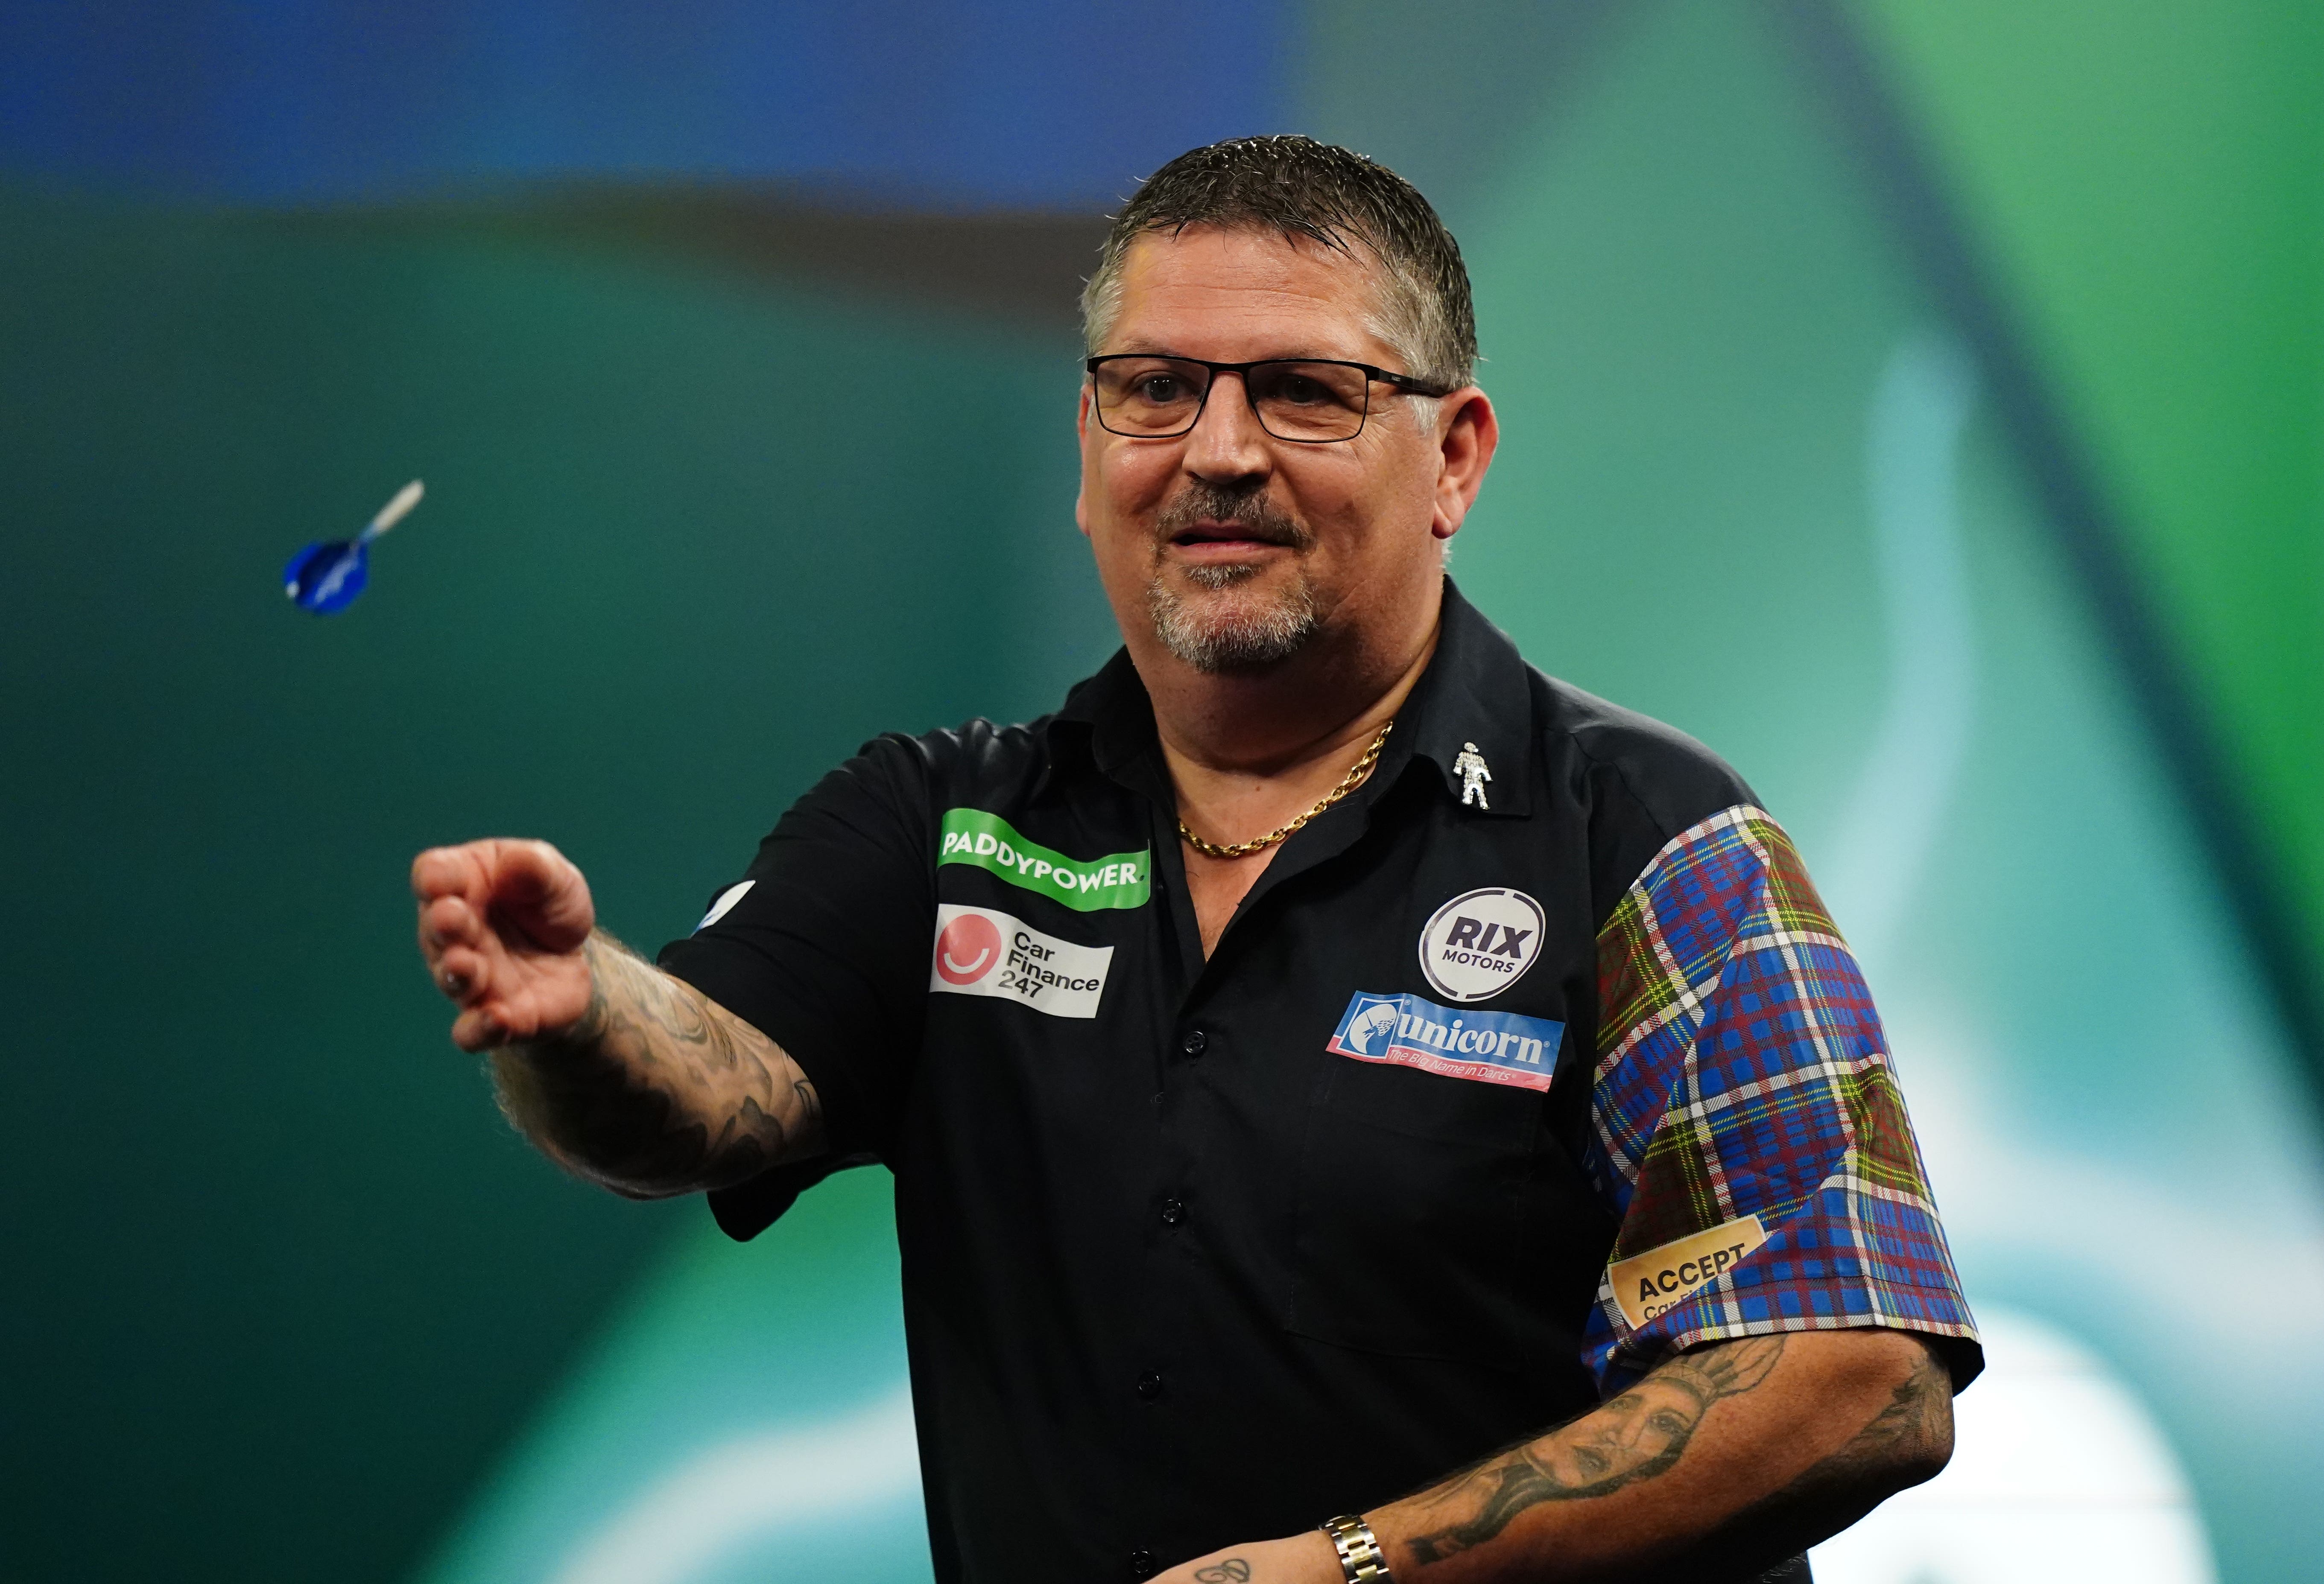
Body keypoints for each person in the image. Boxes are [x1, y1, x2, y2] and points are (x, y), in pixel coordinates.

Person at [413, 136, 1979, 1584]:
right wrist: (582, 1011)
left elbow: (1861, 1377)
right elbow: (700, 1099)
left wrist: (1346, 1572)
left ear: (1455, 459)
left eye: (1305, 390)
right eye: (1155, 387)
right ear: (1089, 444)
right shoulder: (947, 826)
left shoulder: (1645, 838)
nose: (1217, 452)